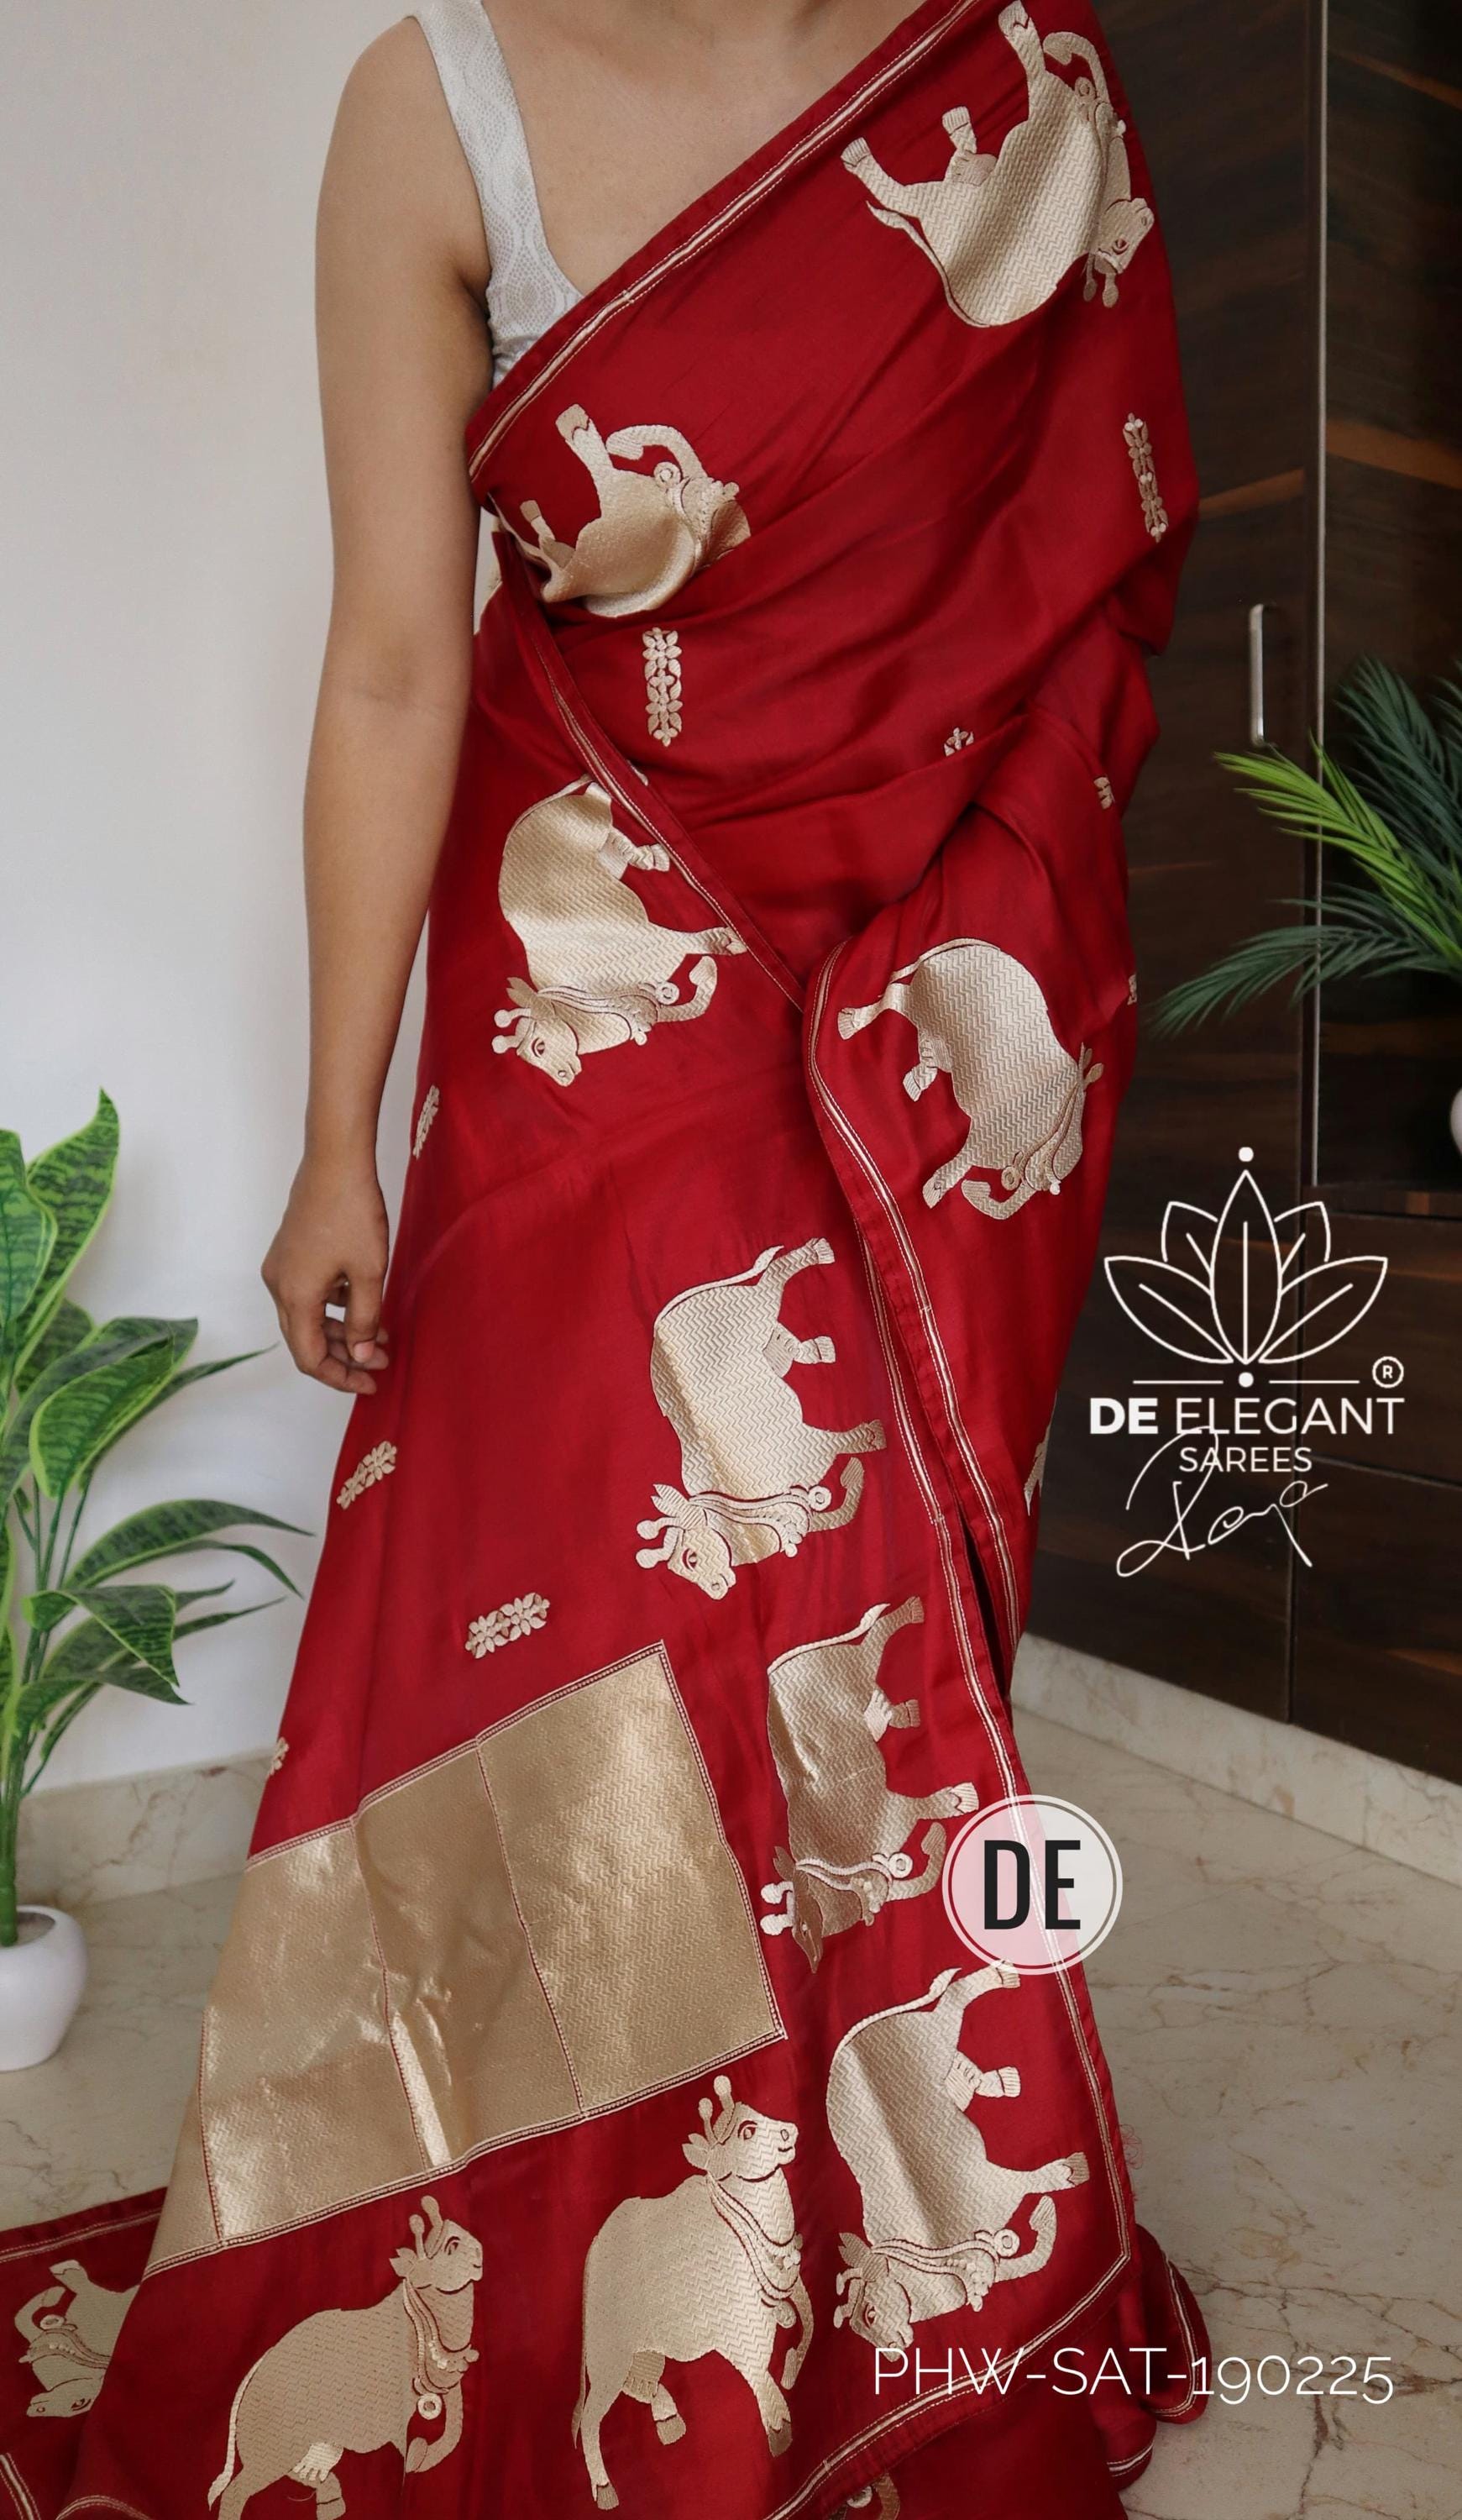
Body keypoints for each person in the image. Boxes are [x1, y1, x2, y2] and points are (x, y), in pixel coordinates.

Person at [0, 4, 1208, 2513]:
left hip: (926, 965)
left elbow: (1088, 570)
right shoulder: (432, 99)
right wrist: (334, 1140)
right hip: (598, 954)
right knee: (548, 1606)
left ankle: (869, 2244)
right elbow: (395, 655)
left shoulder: (1009, 88)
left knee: (841, 1617)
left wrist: (980, 945)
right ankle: (547, 2229)